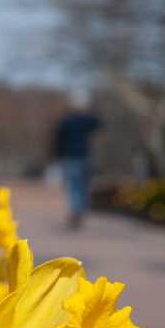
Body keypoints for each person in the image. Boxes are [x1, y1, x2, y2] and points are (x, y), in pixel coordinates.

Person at [54, 90, 100, 229]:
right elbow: (99, 123)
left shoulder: (67, 121)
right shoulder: (87, 120)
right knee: (83, 187)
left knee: (74, 186)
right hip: (85, 157)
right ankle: (80, 211)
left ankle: (76, 211)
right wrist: (89, 111)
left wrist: (59, 155)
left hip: (71, 158)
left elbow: (59, 139)